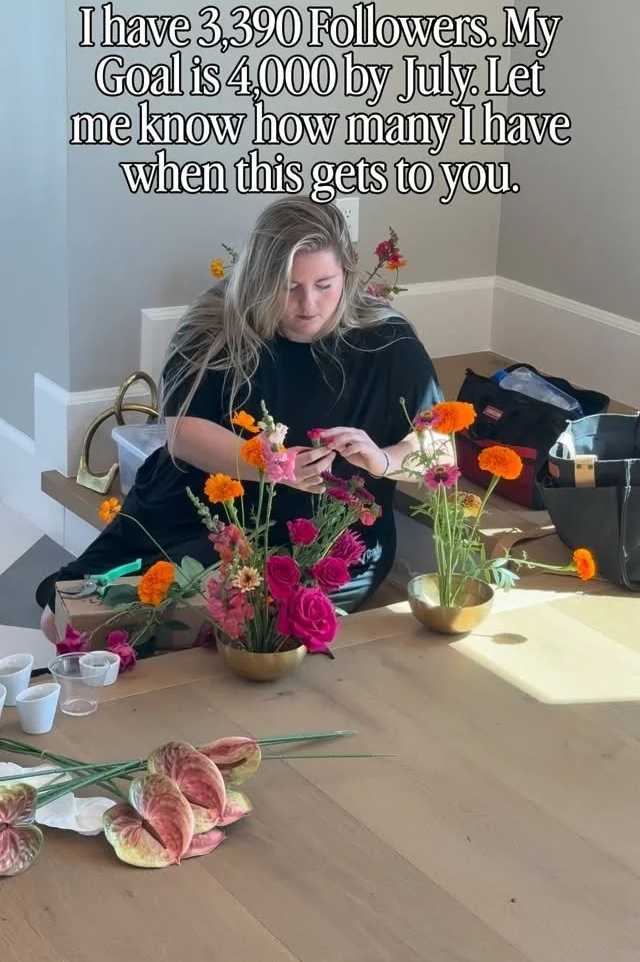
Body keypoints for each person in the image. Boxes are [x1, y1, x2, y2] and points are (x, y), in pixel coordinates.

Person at [37, 197, 449, 642]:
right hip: (195, 506)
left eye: (324, 285)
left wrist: (382, 460)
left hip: (320, 539)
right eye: (289, 287)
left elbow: (439, 453)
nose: (308, 304)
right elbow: (182, 434)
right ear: (259, 279)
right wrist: (273, 467)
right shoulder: (217, 322)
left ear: (346, 276)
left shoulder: (387, 341)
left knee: (218, 633)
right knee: (62, 619)